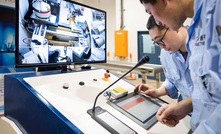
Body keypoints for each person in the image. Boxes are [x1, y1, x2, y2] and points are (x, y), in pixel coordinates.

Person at [139, 0, 221, 133]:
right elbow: (207, 91)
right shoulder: (197, 31)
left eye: (151, 12)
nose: (158, 21)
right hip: (197, 120)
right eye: (157, 43)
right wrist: (183, 106)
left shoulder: (214, 13)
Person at [135, 15, 193, 104]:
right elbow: (172, 80)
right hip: (186, 111)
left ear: (171, 26)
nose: (162, 47)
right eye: (157, 43)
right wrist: (158, 92)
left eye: (160, 40)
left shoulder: (203, 43)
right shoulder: (165, 54)